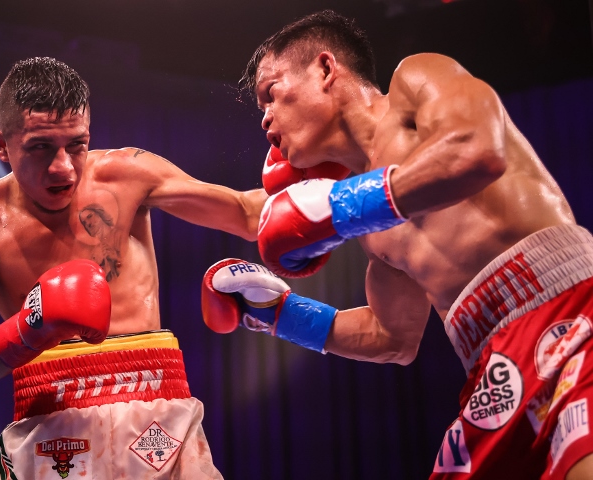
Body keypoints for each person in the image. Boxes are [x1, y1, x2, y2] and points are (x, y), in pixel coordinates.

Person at [201, 10, 593, 480]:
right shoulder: (372, 227)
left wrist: (342, 206)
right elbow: (393, 339)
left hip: (568, 308)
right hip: (491, 367)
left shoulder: (417, 79)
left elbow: (477, 151)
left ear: (325, 70)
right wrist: (278, 313)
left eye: (271, 93)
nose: (265, 117)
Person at [0, 56, 268, 479]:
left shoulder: (126, 174)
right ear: (1, 144)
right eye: (40, 146)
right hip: (50, 423)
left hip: (157, 413)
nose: (62, 167)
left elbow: (244, 214)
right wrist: (30, 327)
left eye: (76, 145)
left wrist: (349, 183)